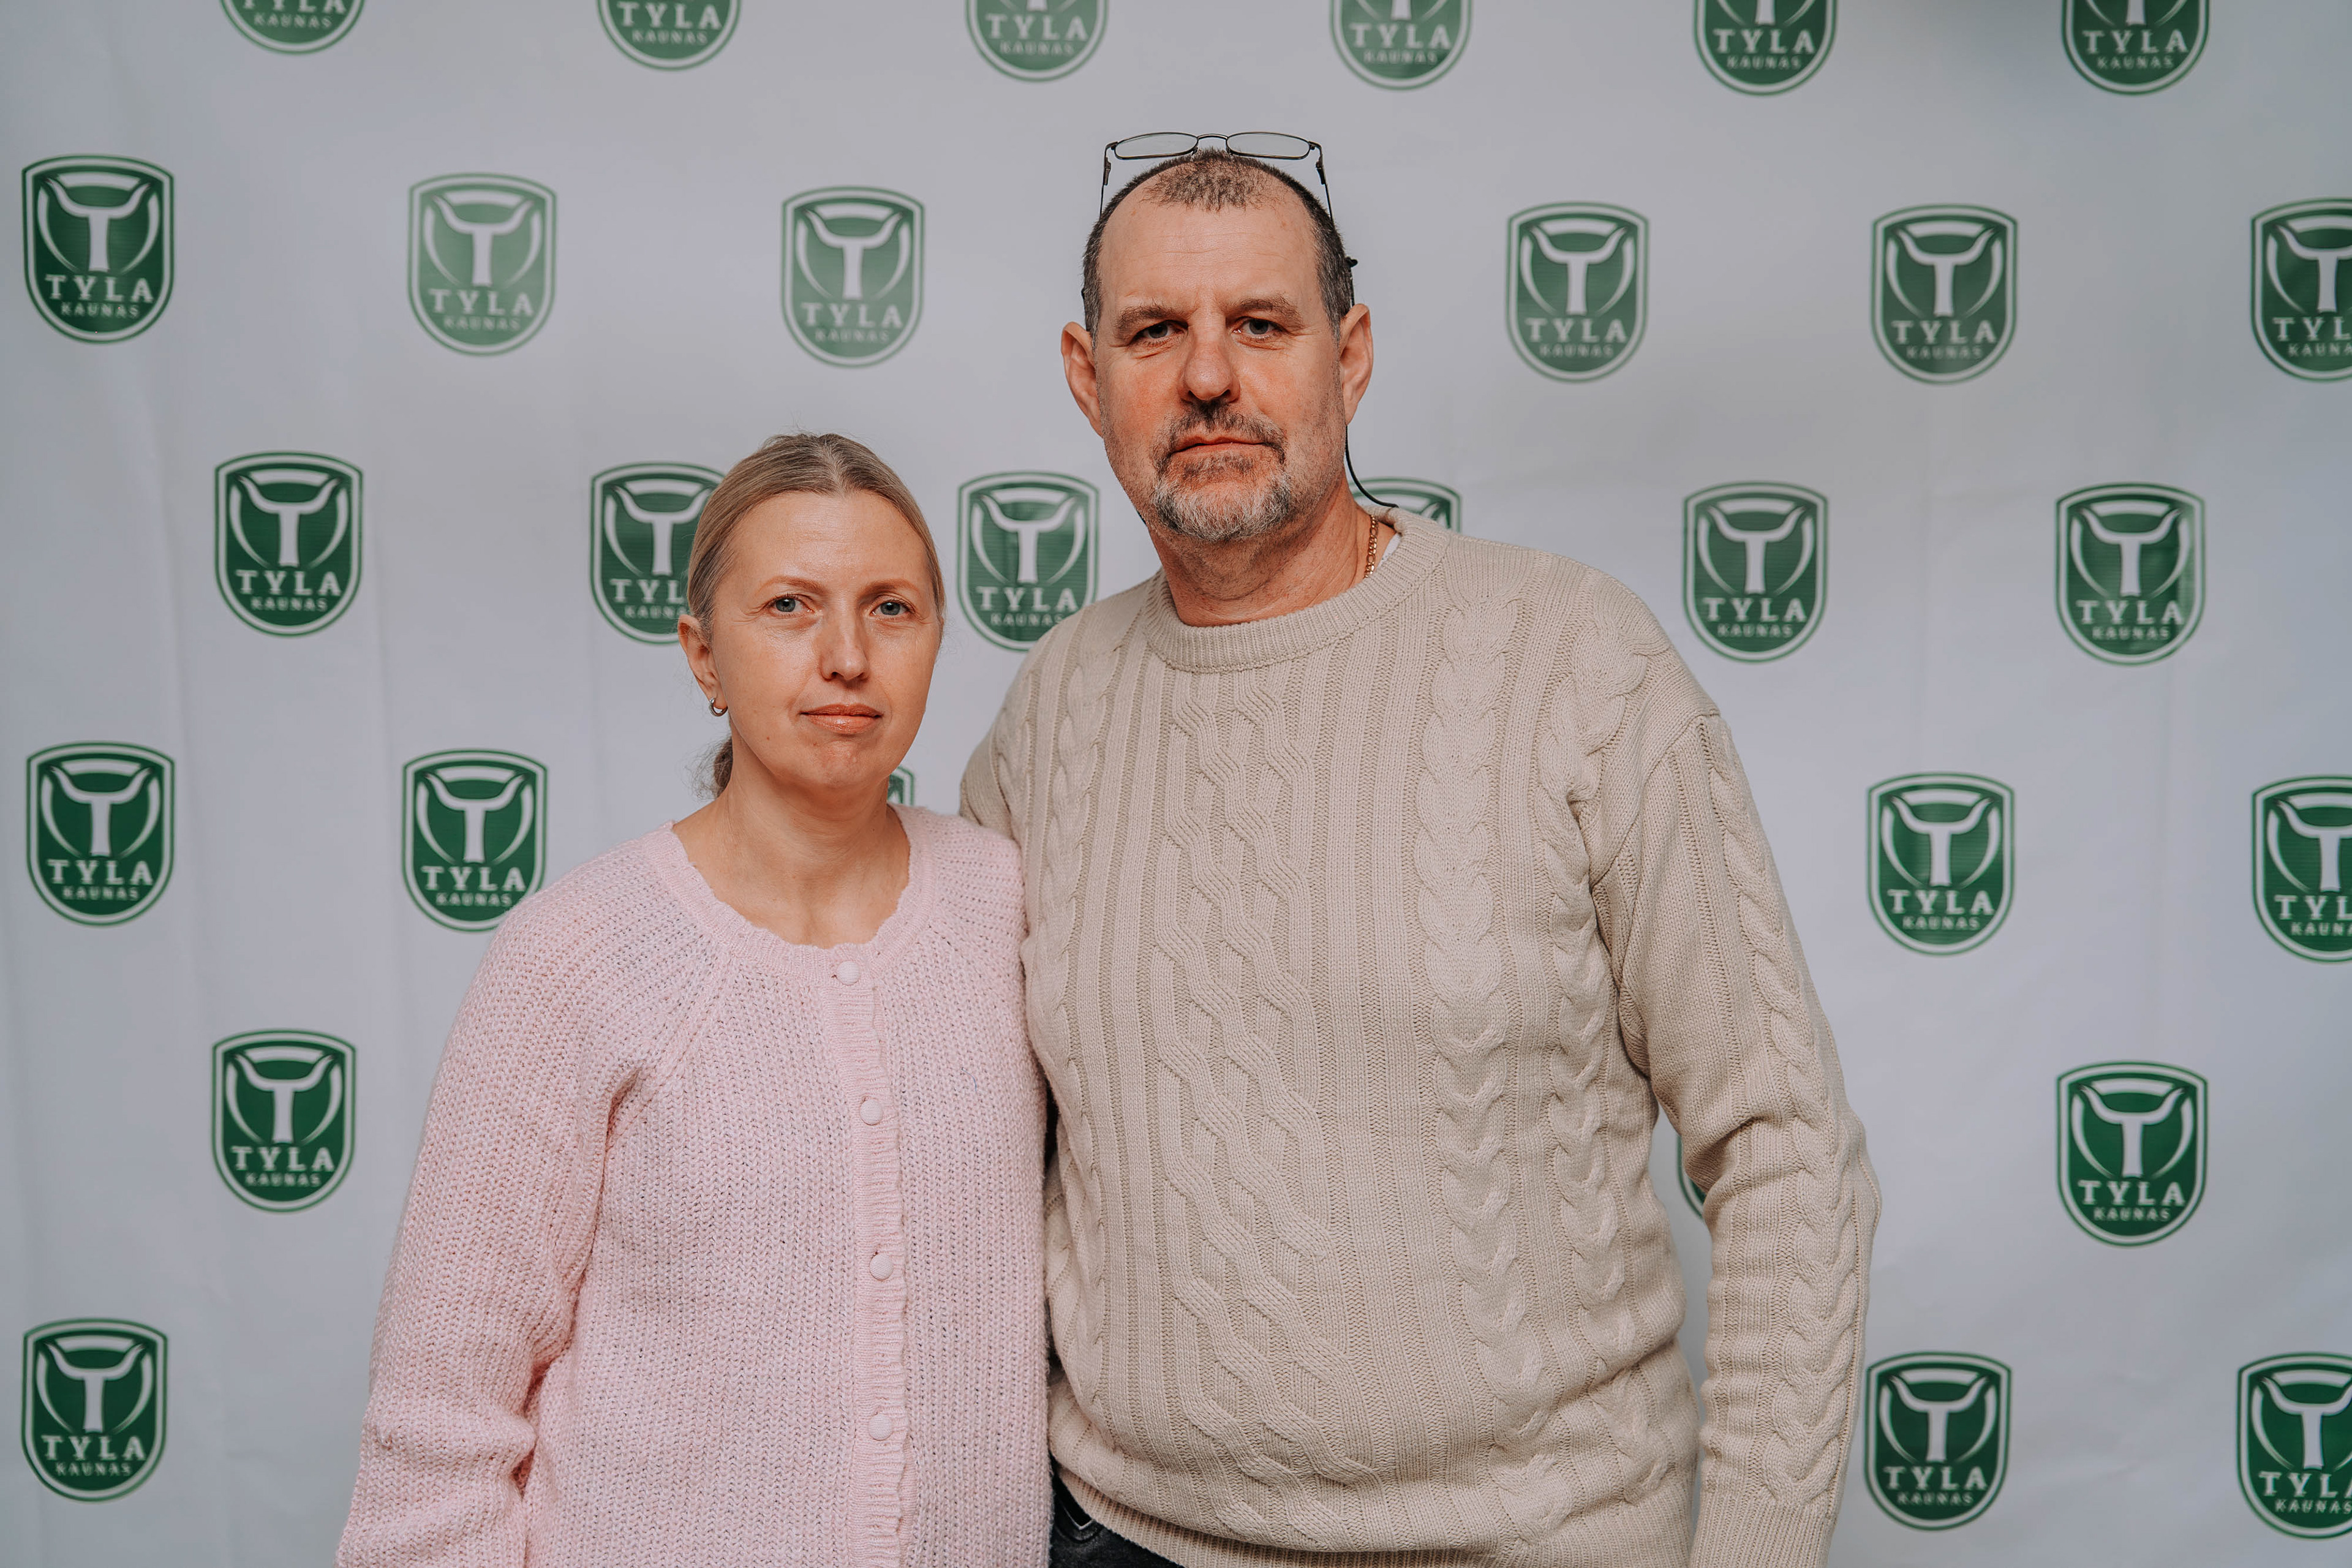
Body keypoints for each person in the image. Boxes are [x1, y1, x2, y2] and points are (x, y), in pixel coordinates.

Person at [962, 145, 1878, 1568]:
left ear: (1351, 355)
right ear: (1089, 377)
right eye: (1155, 332)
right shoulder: (1051, 713)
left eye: (1261, 324)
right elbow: (965, 1160)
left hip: (1534, 1540)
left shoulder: (1572, 660)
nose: (1208, 376)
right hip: (1126, 1536)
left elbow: (1784, 1138)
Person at [339, 434, 1047, 1567]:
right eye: (789, 607)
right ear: (703, 654)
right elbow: (438, 1431)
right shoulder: (576, 956)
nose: (847, 657)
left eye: (891, 609)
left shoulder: (1011, 910)